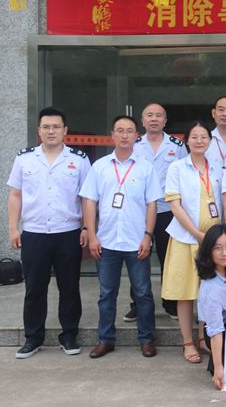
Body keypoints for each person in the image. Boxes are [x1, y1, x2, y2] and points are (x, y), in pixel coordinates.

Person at [7, 107, 91, 359]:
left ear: (65, 130)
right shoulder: (24, 159)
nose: (51, 131)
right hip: (34, 233)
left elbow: (87, 198)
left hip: (68, 233)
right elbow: (15, 194)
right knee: (34, 288)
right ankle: (33, 338)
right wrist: (13, 227)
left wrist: (86, 227)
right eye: (46, 127)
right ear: (39, 130)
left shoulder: (79, 159)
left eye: (56, 127)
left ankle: (69, 335)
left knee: (69, 287)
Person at [80, 115, 163, 359]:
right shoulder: (100, 166)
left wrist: (148, 236)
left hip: (136, 241)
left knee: (143, 292)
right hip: (106, 242)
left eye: (129, 131)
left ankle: (146, 339)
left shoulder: (146, 167)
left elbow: (152, 204)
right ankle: (106, 339)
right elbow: (89, 202)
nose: (124, 135)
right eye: (120, 130)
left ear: (137, 136)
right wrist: (92, 235)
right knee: (107, 293)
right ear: (112, 135)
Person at [162, 121, 223, 364]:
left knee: (209, 292)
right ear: (186, 140)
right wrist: (197, 234)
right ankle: (188, 342)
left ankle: (202, 339)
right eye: (194, 137)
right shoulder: (177, 168)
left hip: (214, 241)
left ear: (210, 141)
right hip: (185, 238)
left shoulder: (217, 168)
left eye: (204, 137)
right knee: (185, 292)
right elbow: (175, 205)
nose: (199, 141)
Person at [127, 103, 186, 322]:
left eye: (158, 115)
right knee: (138, 257)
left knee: (168, 258)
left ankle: (170, 303)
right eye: (149, 115)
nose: (154, 119)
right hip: (139, 211)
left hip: (168, 210)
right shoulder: (134, 145)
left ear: (165, 121)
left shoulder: (177, 146)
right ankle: (137, 303)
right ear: (142, 121)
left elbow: (183, 176)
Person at [196, 224, 226, 390]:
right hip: (221, 332)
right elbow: (215, 330)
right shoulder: (211, 288)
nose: (224, 253)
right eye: (218, 248)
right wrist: (219, 368)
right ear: (208, 251)